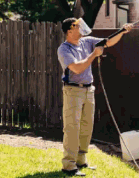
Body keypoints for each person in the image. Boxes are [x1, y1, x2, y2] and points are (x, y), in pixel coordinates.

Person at [57, 17, 133, 176]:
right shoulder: (64, 49)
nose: (81, 28)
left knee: (86, 126)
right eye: (77, 26)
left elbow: (108, 42)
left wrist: (123, 31)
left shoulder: (87, 41)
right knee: (72, 128)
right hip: (73, 91)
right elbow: (76, 69)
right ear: (69, 30)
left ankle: (81, 160)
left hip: (88, 90)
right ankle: (68, 165)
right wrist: (93, 55)